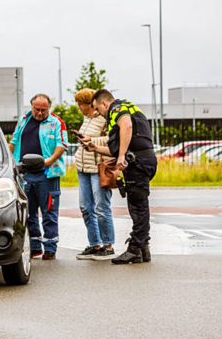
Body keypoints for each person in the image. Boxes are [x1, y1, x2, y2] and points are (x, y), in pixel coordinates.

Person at [84, 89, 157, 264]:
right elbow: (117, 148)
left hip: (137, 162)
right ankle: (142, 249)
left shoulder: (117, 109)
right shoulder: (127, 108)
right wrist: (95, 148)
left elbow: (127, 126)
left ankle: (135, 248)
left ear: (104, 103)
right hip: (142, 160)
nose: (97, 113)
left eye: (97, 108)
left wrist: (122, 156)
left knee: (138, 207)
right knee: (138, 205)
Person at [10, 94, 67, 259]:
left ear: (49, 108)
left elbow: (62, 144)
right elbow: (14, 142)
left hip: (47, 174)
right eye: (37, 110)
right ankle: (34, 246)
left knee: (49, 212)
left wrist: (50, 160)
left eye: (44, 110)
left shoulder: (56, 122)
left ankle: (50, 247)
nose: (40, 113)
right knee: (28, 212)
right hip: (25, 174)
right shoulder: (23, 121)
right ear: (31, 107)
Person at [71, 89, 115, 260]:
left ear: (90, 104)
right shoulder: (86, 119)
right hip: (83, 168)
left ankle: (108, 245)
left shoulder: (105, 118)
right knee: (85, 207)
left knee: (101, 207)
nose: (78, 107)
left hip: (98, 168)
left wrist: (91, 139)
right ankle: (95, 244)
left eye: (80, 104)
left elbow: (112, 139)